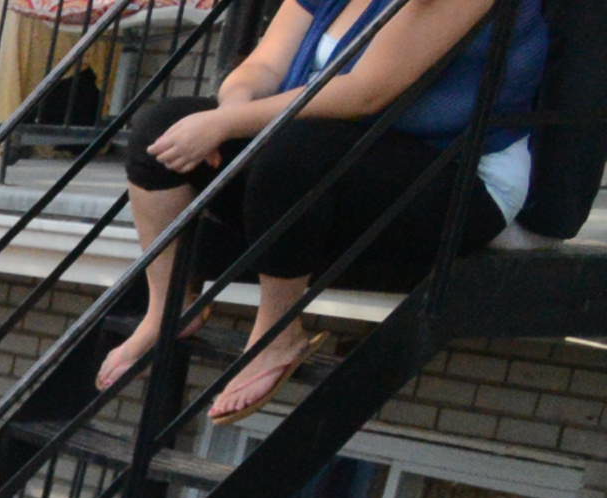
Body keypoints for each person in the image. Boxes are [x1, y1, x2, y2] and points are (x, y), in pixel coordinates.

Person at [94, 0, 548, 419]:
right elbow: (265, 63)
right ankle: (169, 308)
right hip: (345, 153)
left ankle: (277, 333)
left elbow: (364, 94)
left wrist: (227, 124)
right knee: (162, 128)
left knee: (290, 151)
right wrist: (229, 111)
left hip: (459, 178)